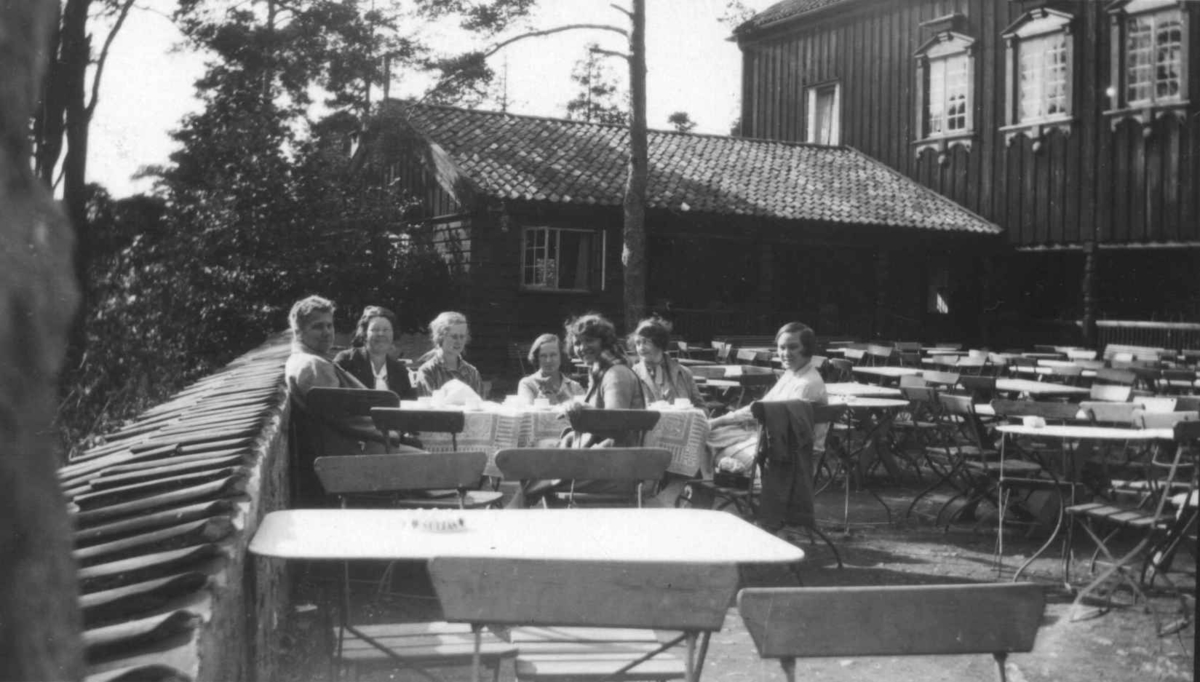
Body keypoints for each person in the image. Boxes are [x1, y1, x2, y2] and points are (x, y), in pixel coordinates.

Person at [706, 322, 828, 476]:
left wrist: (736, 427)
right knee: (705, 435)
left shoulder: (807, 384)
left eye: (793, 347)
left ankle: (724, 471)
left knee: (709, 446)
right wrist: (718, 421)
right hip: (773, 445)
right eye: (782, 347)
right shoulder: (792, 374)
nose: (786, 353)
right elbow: (759, 406)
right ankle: (722, 468)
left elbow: (789, 435)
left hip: (790, 459)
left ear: (808, 348)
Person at [334, 305, 416, 400]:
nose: (381, 334)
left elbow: (407, 404)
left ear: (393, 334)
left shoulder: (400, 371)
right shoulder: (346, 361)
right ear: (364, 334)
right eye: (375, 330)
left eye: (386, 330)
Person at [629, 316, 704, 407]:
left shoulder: (684, 373)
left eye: (645, 342)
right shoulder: (632, 375)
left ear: (659, 342)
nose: (641, 348)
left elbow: (702, 408)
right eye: (638, 343)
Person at [414, 311, 484, 397]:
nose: (459, 341)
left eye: (462, 336)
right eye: (454, 336)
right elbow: (429, 404)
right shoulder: (428, 371)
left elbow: (479, 403)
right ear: (440, 336)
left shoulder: (472, 373)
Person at [517, 333, 585, 405]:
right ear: (537, 358)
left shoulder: (575, 387)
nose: (548, 360)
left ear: (561, 356)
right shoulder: (528, 384)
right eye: (543, 356)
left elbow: (585, 410)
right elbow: (527, 410)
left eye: (553, 355)